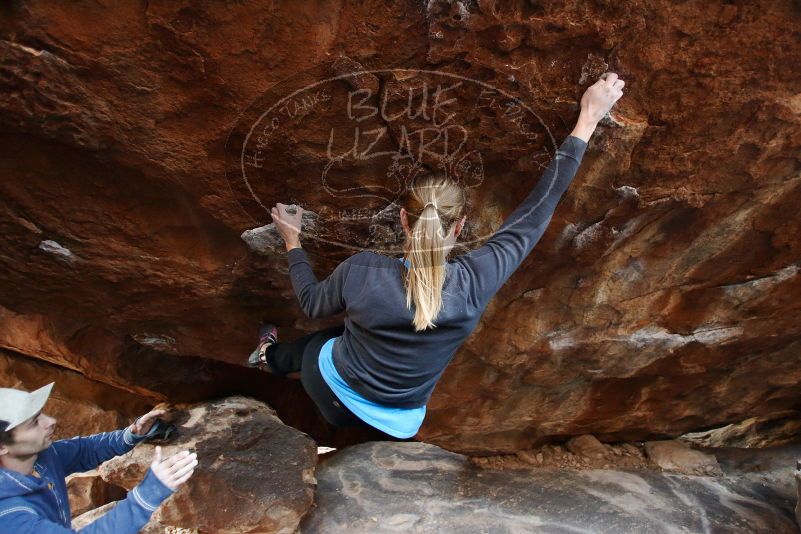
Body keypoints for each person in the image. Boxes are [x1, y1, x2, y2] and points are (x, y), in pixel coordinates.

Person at [247, 72, 625, 438]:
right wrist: (587, 119)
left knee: (322, 341)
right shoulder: (477, 280)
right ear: (459, 226)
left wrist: (292, 241)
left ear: (403, 221)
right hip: (400, 423)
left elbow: (313, 304)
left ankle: (267, 357)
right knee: (344, 333)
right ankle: (275, 360)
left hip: (332, 398)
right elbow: (537, 209)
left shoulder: (362, 270)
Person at [0, 382, 198, 533]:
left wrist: (131, 434)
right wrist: (146, 495)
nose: (51, 421)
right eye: (34, 423)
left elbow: (86, 450)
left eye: (41, 414)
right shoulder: (10, 516)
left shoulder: (41, 457)